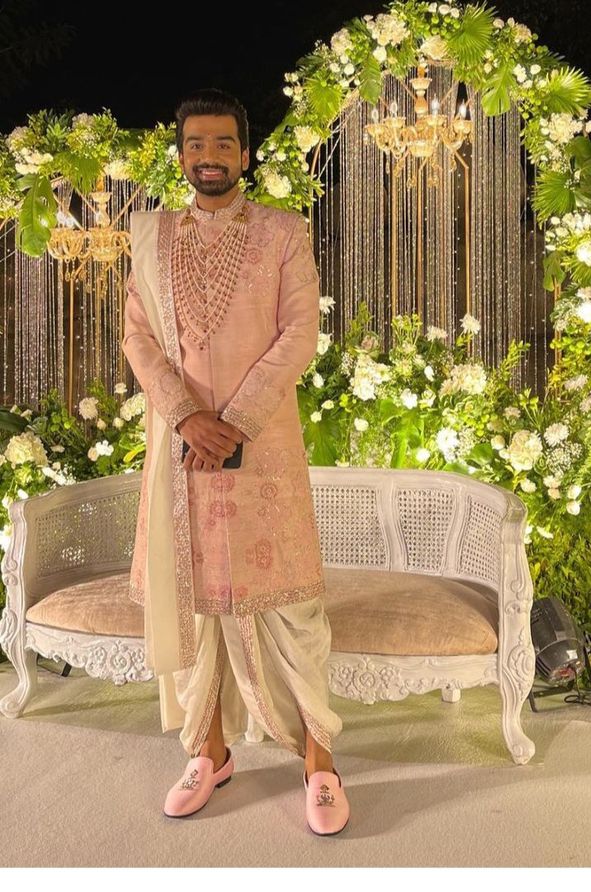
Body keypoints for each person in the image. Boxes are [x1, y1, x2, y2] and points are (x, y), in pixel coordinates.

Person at [121, 86, 349, 836]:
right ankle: (207, 752)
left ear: (244, 156)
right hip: (181, 449)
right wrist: (188, 416)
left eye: (222, 144)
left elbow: (296, 335)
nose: (208, 157)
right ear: (181, 155)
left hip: (264, 450)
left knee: (291, 606)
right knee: (195, 603)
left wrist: (235, 421)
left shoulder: (284, 232)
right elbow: (138, 339)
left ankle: (319, 760)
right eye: (195, 145)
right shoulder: (148, 234)